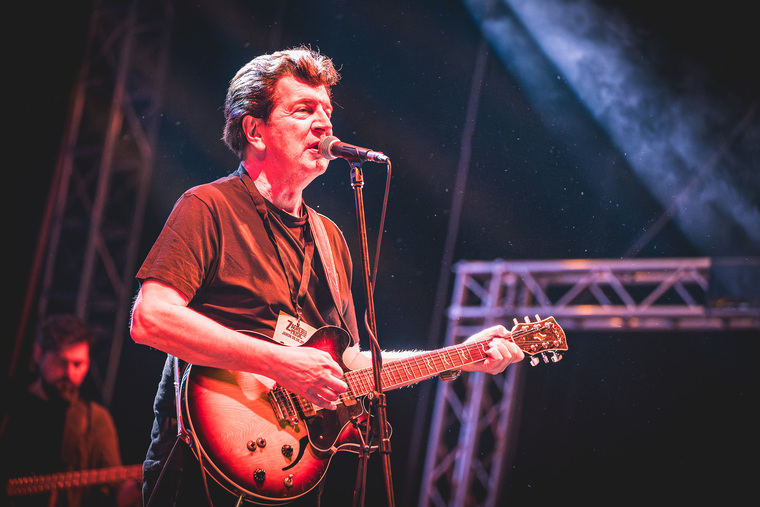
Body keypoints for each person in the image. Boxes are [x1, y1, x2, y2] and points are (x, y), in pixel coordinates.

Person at [130, 46, 525, 506]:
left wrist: (457, 356)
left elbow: (350, 367)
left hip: (292, 476)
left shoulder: (330, 238)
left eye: (327, 112)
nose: (324, 124)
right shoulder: (208, 207)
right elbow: (151, 319)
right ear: (254, 130)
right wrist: (280, 363)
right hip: (202, 471)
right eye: (304, 110)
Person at [0, 314, 142, 507]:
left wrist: (140, 483)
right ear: (39, 354)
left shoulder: (95, 420)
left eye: (78, 364)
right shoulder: (8, 399)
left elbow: (115, 496)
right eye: (61, 362)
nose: (69, 373)